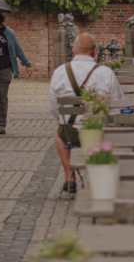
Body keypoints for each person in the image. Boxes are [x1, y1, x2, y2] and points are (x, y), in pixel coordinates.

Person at [49, 31, 123, 192]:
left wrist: (67, 120)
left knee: (60, 135)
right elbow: (116, 106)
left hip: (71, 133)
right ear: (95, 51)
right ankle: (102, 176)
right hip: (100, 133)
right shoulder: (106, 72)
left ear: (74, 49)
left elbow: (54, 108)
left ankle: (70, 176)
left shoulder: (60, 72)